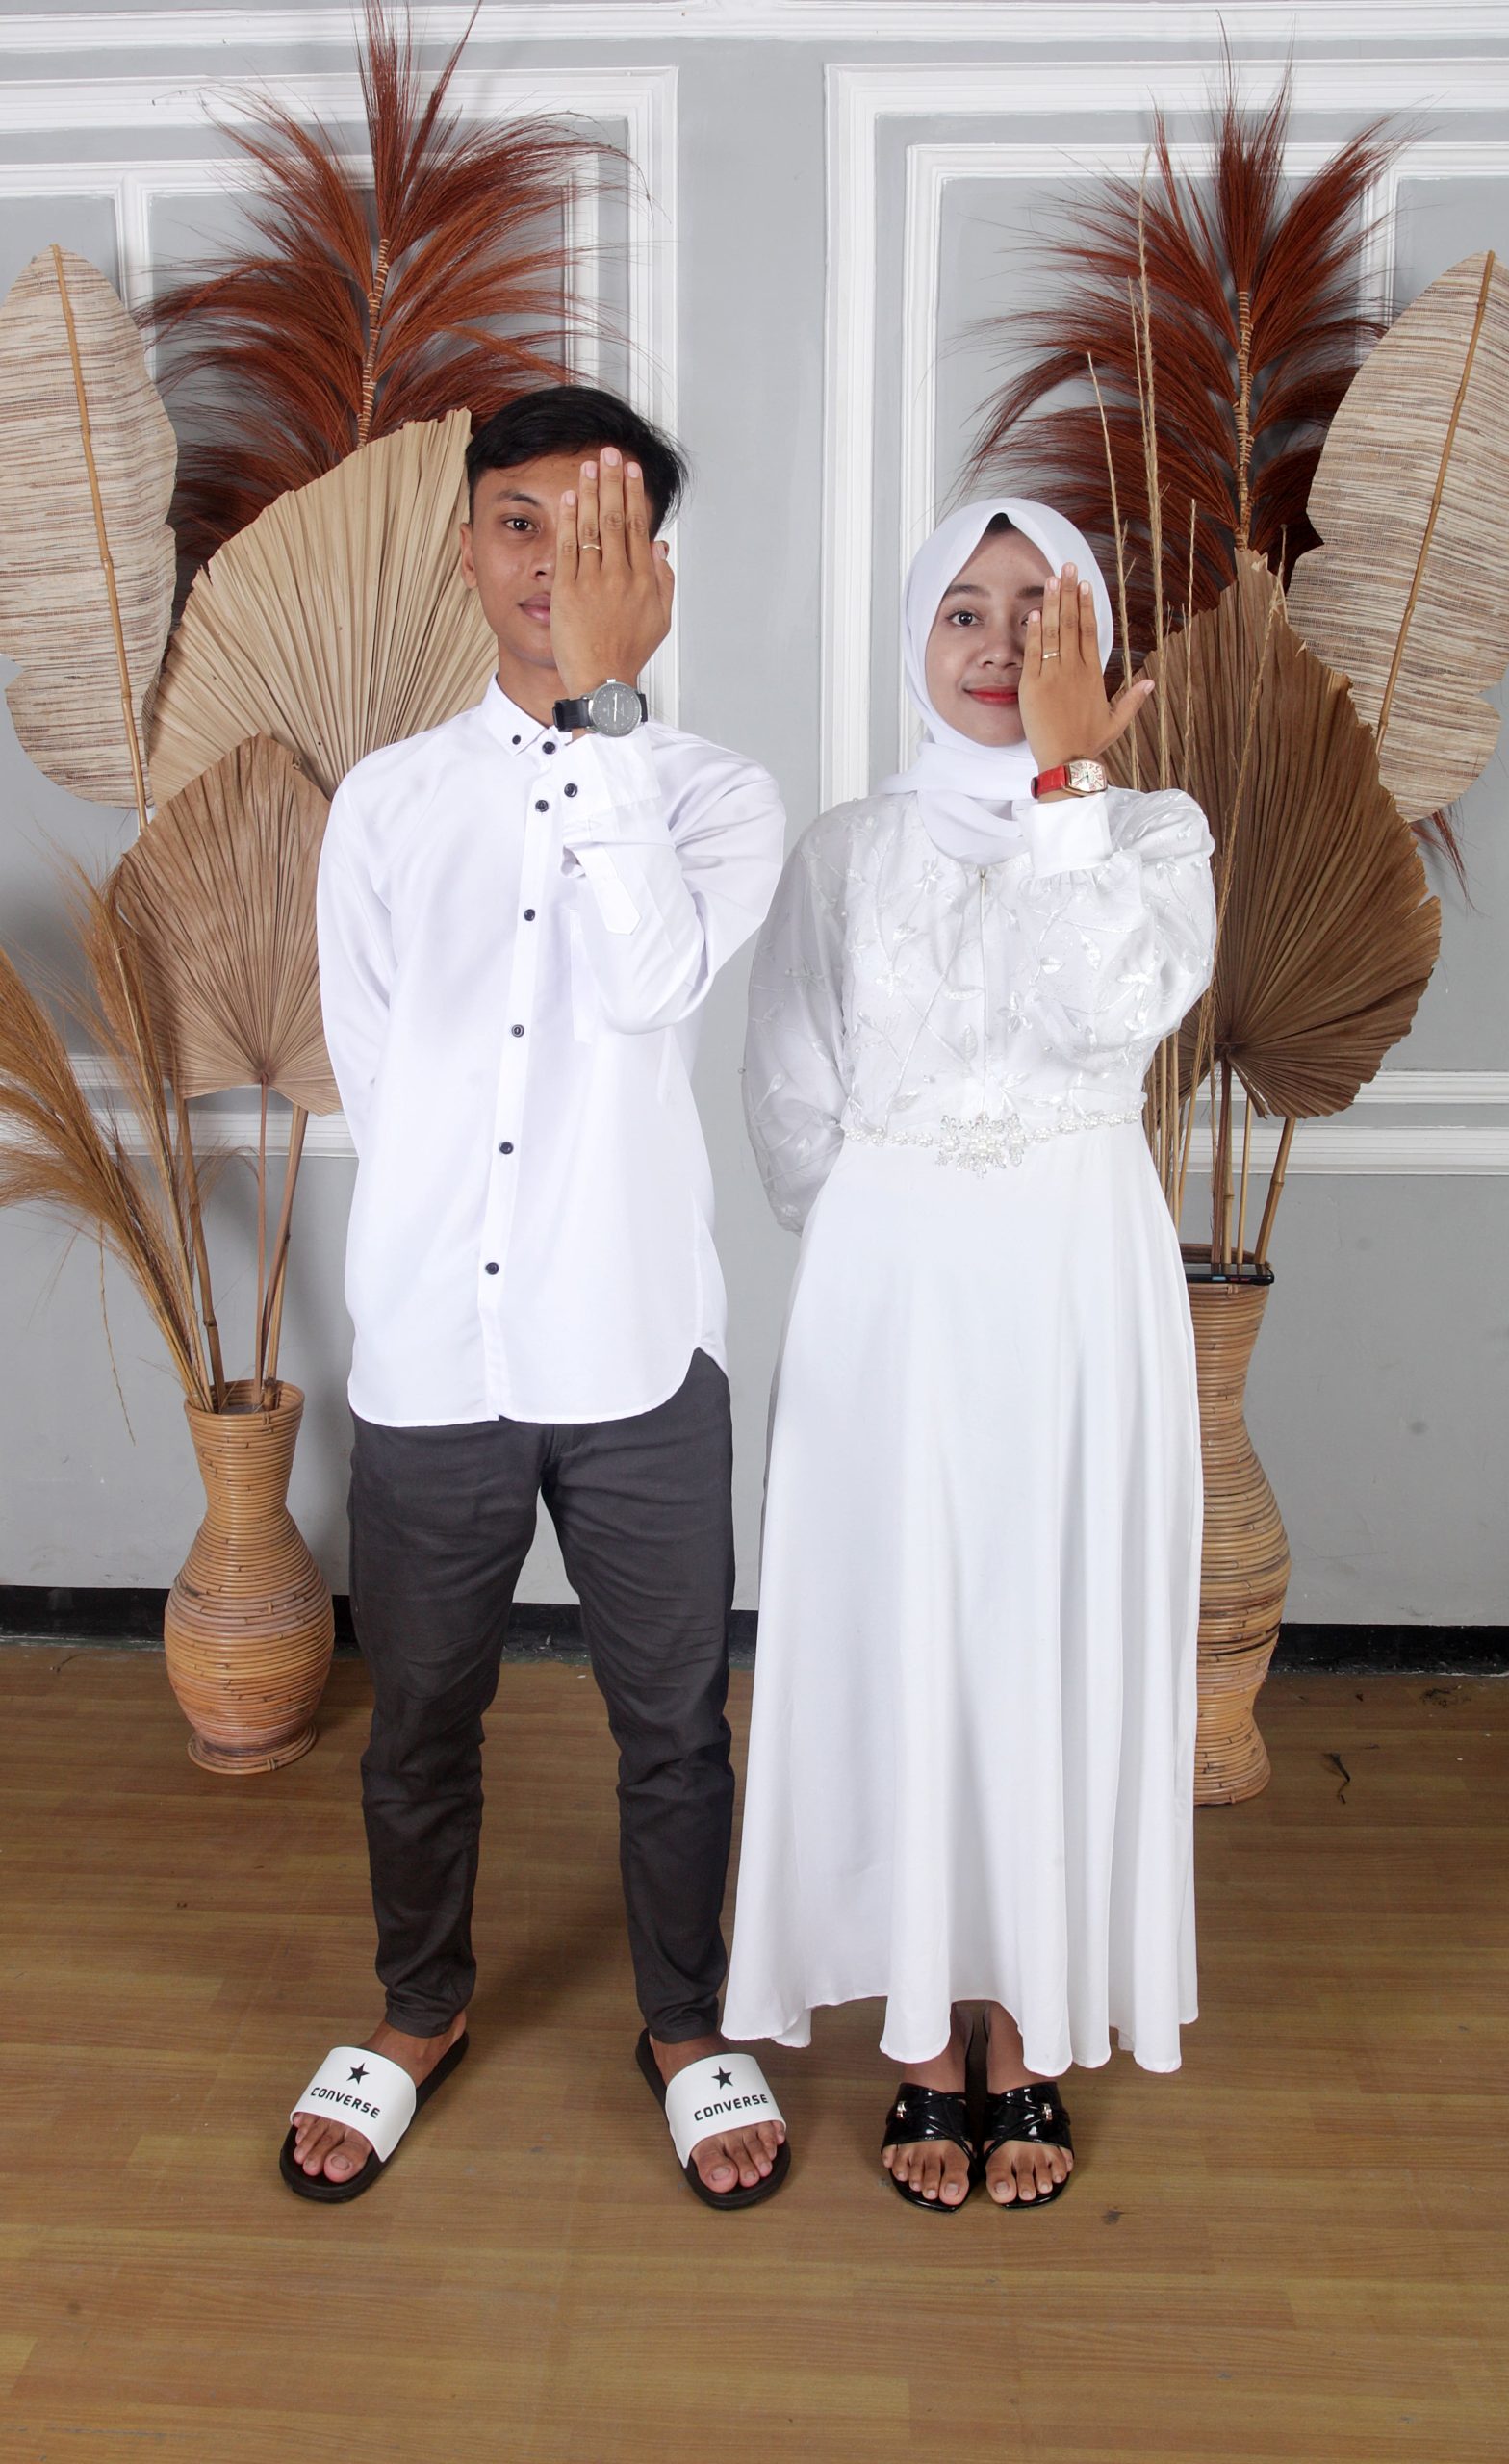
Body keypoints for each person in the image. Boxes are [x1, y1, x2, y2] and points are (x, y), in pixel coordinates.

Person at [285, 386, 790, 2210]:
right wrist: (436, 1256)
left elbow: (651, 986)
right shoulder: (386, 803)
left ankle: (685, 2024)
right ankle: (418, 2010)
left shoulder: (717, 795)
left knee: (676, 1725)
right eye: (521, 521)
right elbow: (381, 1074)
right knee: (419, 1720)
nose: (553, 563)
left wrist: (602, 723)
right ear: (468, 545)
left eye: (598, 531)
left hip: (636, 1346)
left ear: (651, 567)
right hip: (436, 1348)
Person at [723, 499, 1215, 2210]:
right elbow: (787, 1086)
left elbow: (1112, 1012)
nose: (1001, 646)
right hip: (895, 1305)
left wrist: (1071, 786)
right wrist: (890, 1224)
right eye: (964, 610)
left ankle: (1029, 2025)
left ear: (1092, 639)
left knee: (1052, 1618)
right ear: (915, 638)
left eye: (1039, 610)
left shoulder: (1153, 834)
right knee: (905, 1628)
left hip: (1080, 1293)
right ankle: (925, 2040)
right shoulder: (847, 851)